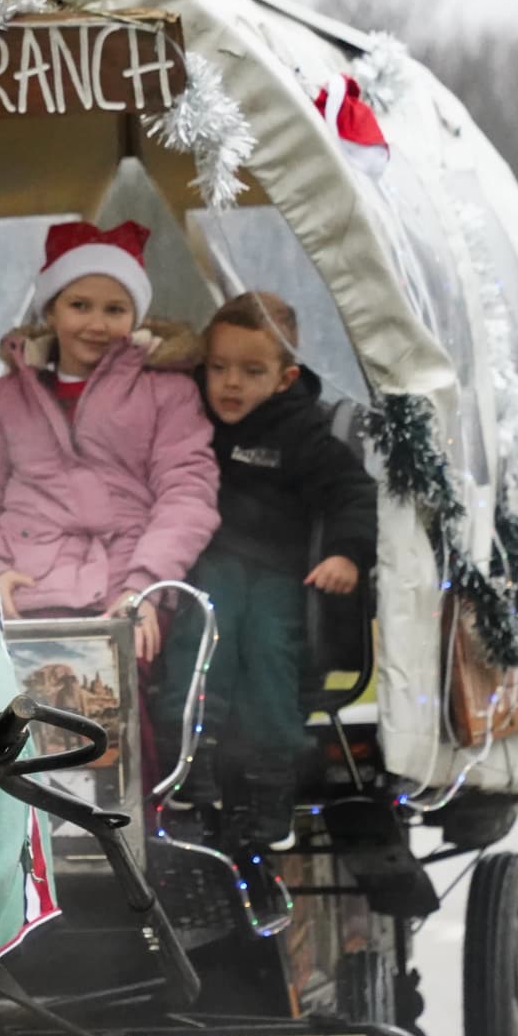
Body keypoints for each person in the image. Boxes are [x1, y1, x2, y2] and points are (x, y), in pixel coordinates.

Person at [159, 291, 378, 851]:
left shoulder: (298, 432)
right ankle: (193, 760)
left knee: (270, 654)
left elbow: (352, 491)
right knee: (204, 628)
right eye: (219, 368)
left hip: (282, 573)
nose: (231, 384)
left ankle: (269, 789)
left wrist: (346, 554)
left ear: (284, 379)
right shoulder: (192, 419)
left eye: (251, 371)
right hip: (212, 564)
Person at [0, 220, 218, 664]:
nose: (96, 323)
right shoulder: (6, 397)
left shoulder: (167, 392)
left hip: (127, 589)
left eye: (115, 309)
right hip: (25, 587)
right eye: (79, 305)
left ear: (135, 318)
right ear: (50, 312)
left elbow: (187, 492)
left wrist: (145, 585)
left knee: (120, 712)